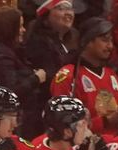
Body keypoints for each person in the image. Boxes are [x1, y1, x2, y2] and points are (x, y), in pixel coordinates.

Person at [0, 7, 48, 138]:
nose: (23, 30)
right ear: (9, 29)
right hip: (10, 125)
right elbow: (10, 92)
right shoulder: (0, 56)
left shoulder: (10, 52)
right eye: (20, 26)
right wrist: (35, 78)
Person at [51, 17, 118, 135]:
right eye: (105, 40)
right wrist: (106, 121)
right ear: (88, 41)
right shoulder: (68, 76)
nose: (110, 46)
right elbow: (64, 126)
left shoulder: (112, 74)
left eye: (111, 41)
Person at [22, 0, 77, 138]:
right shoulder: (37, 43)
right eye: (61, 8)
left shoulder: (72, 42)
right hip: (42, 115)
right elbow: (52, 77)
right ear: (46, 17)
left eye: (70, 8)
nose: (68, 13)